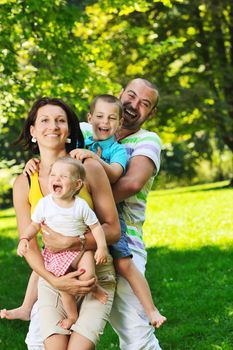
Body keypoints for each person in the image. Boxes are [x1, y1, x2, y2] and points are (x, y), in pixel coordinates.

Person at [1, 97, 120, 350]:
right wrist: (54, 281)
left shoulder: (89, 168)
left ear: (69, 130)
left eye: (60, 120)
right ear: (33, 131)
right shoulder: (24, 182)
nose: (53, 126)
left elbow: (112, 228)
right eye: (44, 120)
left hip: (94, 275)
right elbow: (30, 243)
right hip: (53, 278)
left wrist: (73, 242)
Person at [71, 94, 166, 328]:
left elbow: (114, 173)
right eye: (100, 116)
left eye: (112, 118)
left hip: (110, 214)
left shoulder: (118, 149)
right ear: (90, 117)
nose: (105, 122)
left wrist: (94, 158)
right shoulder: (80, 138)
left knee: (123, 263)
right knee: (63, 262)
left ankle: (152, 310)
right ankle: (66, 314)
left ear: (119, 122)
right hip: (79, 216)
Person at [17, 157, 109, 330]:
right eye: (53, 175)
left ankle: (95, 289)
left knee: (87, 276)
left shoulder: (80, 206)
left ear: (77, 185)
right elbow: (34, 225)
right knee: (64, 289)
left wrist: (102, 247)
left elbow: (96, 227)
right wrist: (24, 239)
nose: (56, 179)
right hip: (57, 254)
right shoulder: (45, 204)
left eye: (63, 176)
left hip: (81, 250)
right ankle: (72, 316)